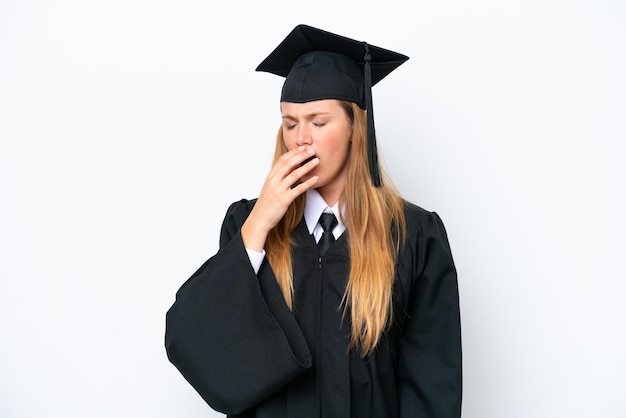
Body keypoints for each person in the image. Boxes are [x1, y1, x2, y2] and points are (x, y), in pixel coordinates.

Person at [165, 24, 462, 418]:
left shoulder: (412, 238)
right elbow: (201, 343)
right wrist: (259, 224)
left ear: (357, 127)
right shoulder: (246, 224)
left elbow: (431, 393)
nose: (301, 138)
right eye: (290, 123)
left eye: (319, 122)